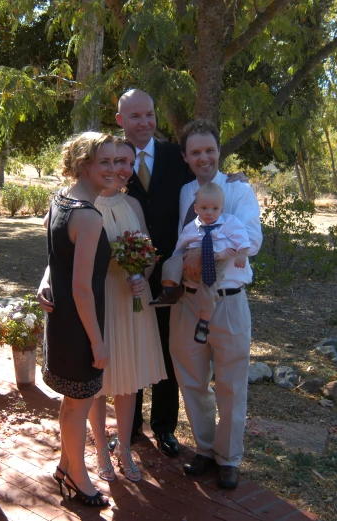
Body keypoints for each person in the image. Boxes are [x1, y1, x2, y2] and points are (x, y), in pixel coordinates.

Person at [169, 119, 263, 490]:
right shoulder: (184, 193)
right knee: (192, 382)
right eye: (195, 152)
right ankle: (206, 450)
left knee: (231, 384)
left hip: (229, 301)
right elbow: (184, 235)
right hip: (189, 303)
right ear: (185, 157)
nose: (203, 157)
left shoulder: (239, 191)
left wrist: (205, 251)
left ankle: (230, 457)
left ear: (218, 151)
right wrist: (190, 251)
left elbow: (252, 241)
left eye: (209, 150)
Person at [116, 89, 193, 456]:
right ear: (120, 121)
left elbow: (205, 178)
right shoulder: (112, 158)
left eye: (149, 114)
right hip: (123, 274)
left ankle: (164, 426)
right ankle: (128, 427)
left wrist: (234, 178)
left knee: (165, 350)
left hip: (169, 274)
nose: (144, 122)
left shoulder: (173, 155)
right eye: (135, 116)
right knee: (129, 347)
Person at [40, 132, 114, 507]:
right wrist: (98, 341)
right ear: (85, 165)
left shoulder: (60, 201)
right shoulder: (88, 216)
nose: (115, 169)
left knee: (72, 402)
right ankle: (77, 476)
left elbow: (56, 259)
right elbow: (83, 288)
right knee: (78, 404)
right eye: (106, 162)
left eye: (118, 162)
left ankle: (65, 464)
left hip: (63, 321)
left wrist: (46, 281)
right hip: (80, 324)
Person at [87, 138, 168, 482]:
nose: (119, 168)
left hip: (130, 301)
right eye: (113, 160)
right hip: (98, 299)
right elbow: (58, 253)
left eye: (126, 162)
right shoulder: (83, 202)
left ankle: (124, 448)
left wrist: (143, 276)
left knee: (128, 380)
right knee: (96, 380)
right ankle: (101, 448)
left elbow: (148, 250)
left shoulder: (133, 203)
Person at [153, 182, 250, 344]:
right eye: (204, 208)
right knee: (169, 264)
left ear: (222, 209)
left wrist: (243, 253)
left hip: (214, 262)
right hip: (189, 260)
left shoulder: (229, 223)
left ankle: (203, 324)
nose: (209, 213)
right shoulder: (191, 227)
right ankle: (168, 291)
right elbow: (180, 246)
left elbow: (242, 239)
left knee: (208, 287)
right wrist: (179, 262)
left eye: (215, 208)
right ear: (196, 209)